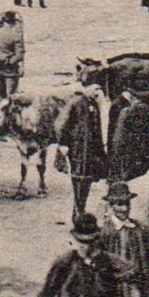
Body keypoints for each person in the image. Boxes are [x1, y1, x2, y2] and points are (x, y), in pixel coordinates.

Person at [36, 213, 139, 297]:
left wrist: (109, 274)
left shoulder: (107, 259)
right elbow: (48, 291)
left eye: (91, 241)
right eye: (82, 242)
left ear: (97, 240)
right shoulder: (65, 262)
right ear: (75, 240)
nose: (86, 246)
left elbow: (132, 270)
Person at [100, 182, 149, 297]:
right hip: (116, 292)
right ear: (111, 205)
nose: (124, 209)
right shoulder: (105, 232)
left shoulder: (140, 229)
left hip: (141, 290)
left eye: (126, 204)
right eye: (119, 205)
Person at [58, 86, 106, 220]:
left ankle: (79, 209)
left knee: (87, 178)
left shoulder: (93, 104)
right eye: (95, 89)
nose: (97, 93)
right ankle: (79, 211)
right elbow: (62, 124)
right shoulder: (76, 102)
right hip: (78, 148)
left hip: (91, 149)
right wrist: (63, 143)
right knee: (79, 178)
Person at [108, 89, 149, 182]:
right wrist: (148, 149)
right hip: (148, 157)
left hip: (129, 156)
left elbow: (118, 139)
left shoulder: (125, 112)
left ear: (132, 97)